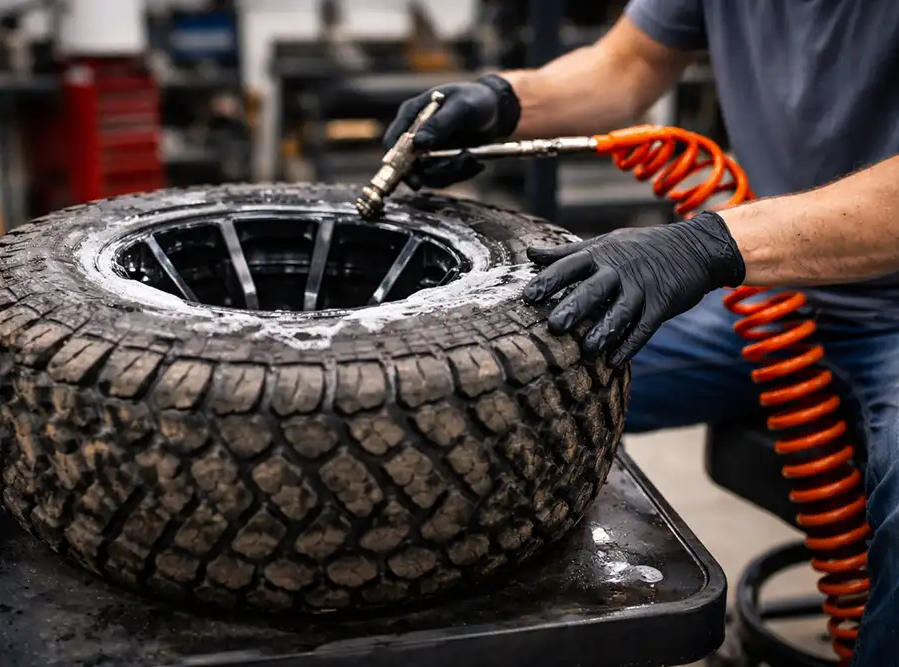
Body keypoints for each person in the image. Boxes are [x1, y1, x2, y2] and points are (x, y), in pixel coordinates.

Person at [384, 2, 899, 664]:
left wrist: (706, 244)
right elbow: (627, 64)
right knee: (499, 379)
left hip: (846, 288)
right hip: (773, 287)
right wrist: (502, 99)